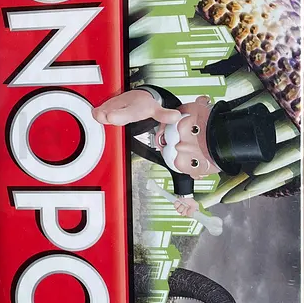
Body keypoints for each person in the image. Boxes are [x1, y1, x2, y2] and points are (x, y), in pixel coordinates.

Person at [92, 86, 277, 217]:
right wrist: (147, 103)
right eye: (194, 130)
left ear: (198, 175)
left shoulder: (178, 166)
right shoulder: (164, 106)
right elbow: (152, 97)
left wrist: (186, 198)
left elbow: (181, 175)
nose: (180, 146)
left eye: (194, 162)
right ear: (202, 101)